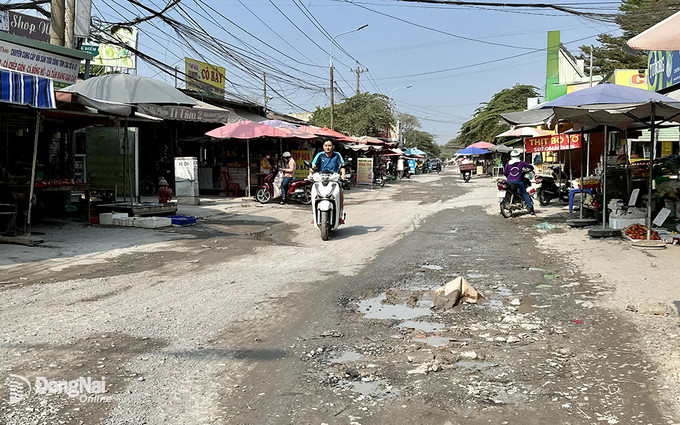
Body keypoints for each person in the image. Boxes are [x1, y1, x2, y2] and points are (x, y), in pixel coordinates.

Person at [309, 140, 346, 214]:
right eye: (326, 145)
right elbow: (313, 166)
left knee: (340, 192)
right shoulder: (319, 155)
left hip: (334, 178)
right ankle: (314, 211)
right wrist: (310, 174)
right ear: (323, 146)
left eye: (329, 146)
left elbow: (342, 166)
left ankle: (340, 211)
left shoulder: (337, 155)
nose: (327, 147)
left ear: (333, 147)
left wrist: (343, 175)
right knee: (313, 192)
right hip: (321, 178)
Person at [504, 149, 535, 215]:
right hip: (518, 181)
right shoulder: (521, 163)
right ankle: (530, 207)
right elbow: (530, 166)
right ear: (519, 156)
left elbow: (505, 172)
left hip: (509, 181)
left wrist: (508, 177)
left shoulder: (508, 163)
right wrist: (531, 169)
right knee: (525, 193)